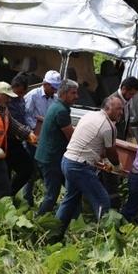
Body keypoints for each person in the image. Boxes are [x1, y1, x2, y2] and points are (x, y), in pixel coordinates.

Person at [55, 96, 124, 234]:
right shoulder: (108, 126)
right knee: (102, 200)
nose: (121, 112)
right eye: (118, 109)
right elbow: (111, 152)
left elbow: (95, 143)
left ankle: (55, 232)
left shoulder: (90, 115)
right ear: (107, 108)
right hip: (79, 166)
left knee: (70, 199)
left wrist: (102, 160)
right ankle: (106, 237)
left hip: (67, 160)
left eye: (122, 109)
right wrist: (117, 167)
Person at [34, 79, 79, 215]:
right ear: (64, 93)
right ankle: (39, 219)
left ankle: (73, 217)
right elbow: (71, 137)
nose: (76, 96)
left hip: (50, 156)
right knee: (52, 194)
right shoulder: (61, 111)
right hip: (51, 159)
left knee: (73, 189)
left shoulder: (57, 106)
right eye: (73, 93)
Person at [101, 76, 138, 209]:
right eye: (131, 93)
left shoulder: (127, 101)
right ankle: (111, 206)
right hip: (110, 143)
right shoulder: (113, 102)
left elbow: (125, 120)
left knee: (114, 175)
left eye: (134, 94)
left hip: (119, 141)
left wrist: (130, 136)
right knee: (110, 176)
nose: (132, 96)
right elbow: (108, 124)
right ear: (123, 89)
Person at [23, 69, 61, 206]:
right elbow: (25, 115)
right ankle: (27, 199)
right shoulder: (33, 96)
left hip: (46, 141)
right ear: (45, 84)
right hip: (32, 138)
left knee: (46, 170)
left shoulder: (55, 99)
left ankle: (47, 199)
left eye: (57, 88)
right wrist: (36, 130)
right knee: (31, 170)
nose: (55, 91)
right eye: (53, 87)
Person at [5, 75, 35, 197]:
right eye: (20, 92)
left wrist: (28, 133)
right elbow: (11, 123)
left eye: (24, 92)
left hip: (17, 140)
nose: (22, 95)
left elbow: (22, 119)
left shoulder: (21, 100)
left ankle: (10, 193)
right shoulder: (5, 101)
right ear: (14, 87)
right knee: (5, 172)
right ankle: (3, 198)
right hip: (4, 142)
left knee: (27, 169)